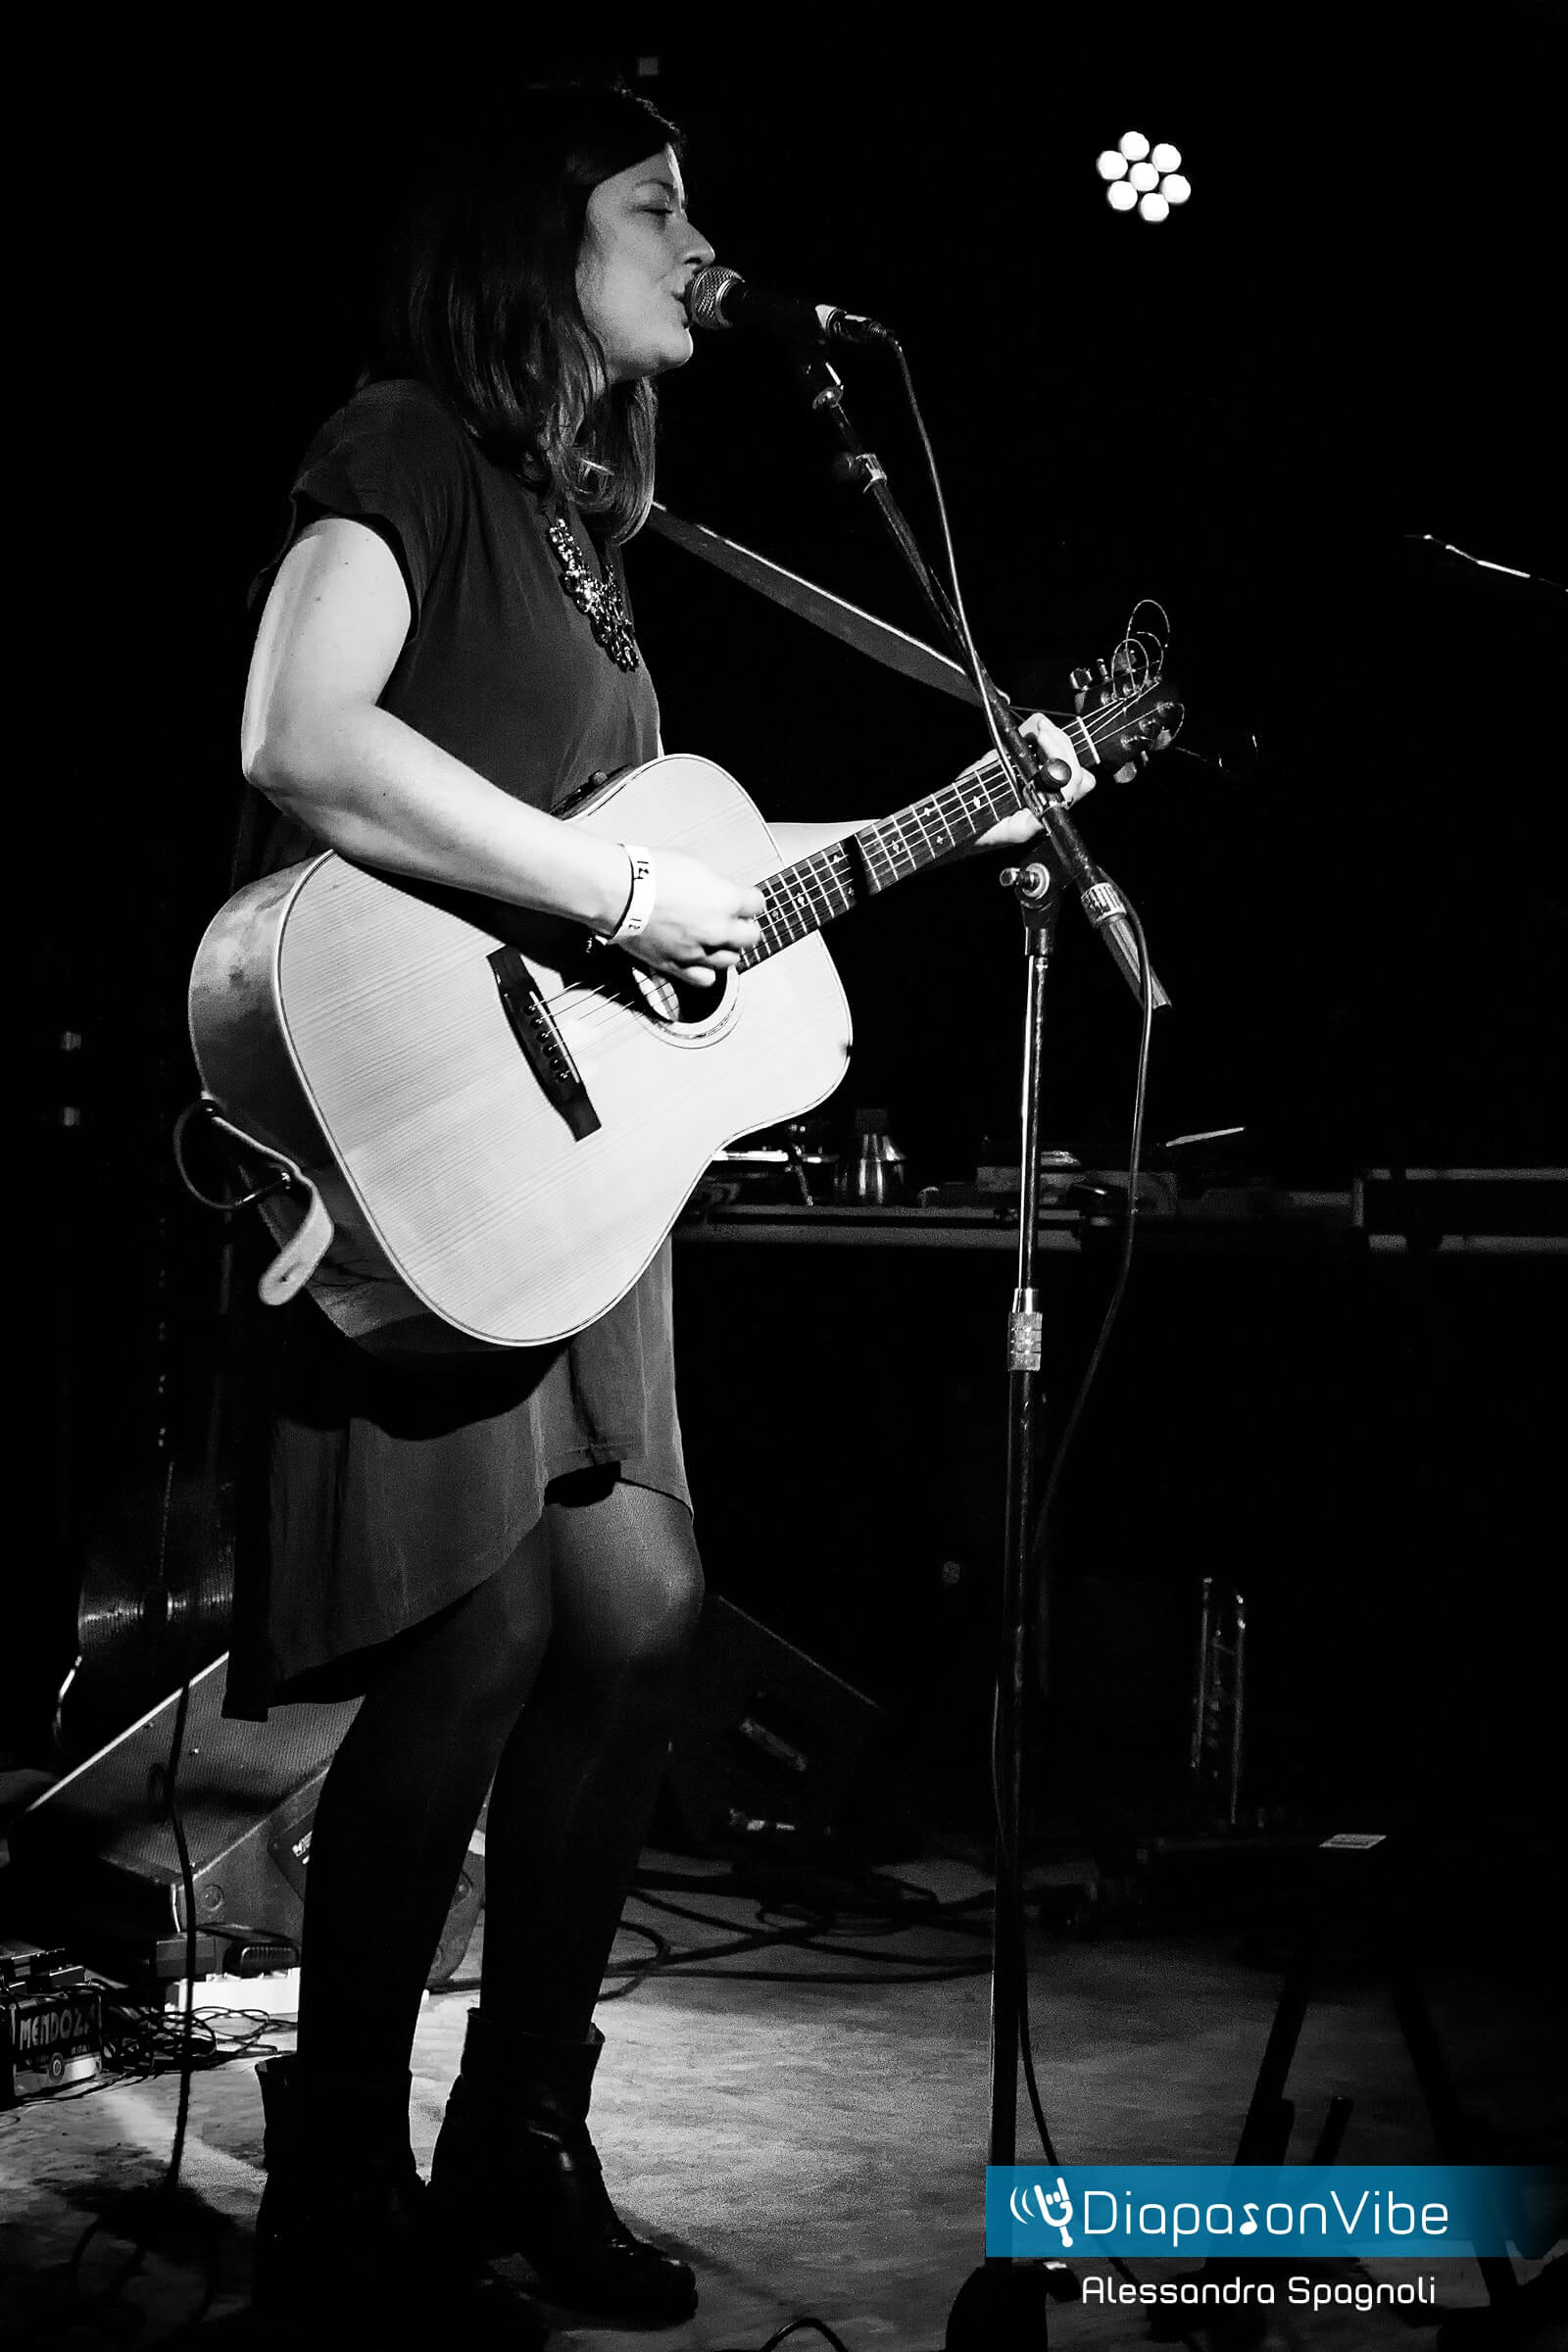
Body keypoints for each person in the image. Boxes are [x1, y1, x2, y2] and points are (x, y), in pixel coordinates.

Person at [228, 77, 1092, 2344]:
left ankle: (522, 2139)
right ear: (537, 243)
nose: (700, 242)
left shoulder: (597, 542)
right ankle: (340, 2194)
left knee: (637, 1619)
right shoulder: (409, 446)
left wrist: (944, 824)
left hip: (574, 1182)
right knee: (483, 1640)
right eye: (654, 203)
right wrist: (615, 891)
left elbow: (654, 894)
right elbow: (300, 733)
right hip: (413, 1145)